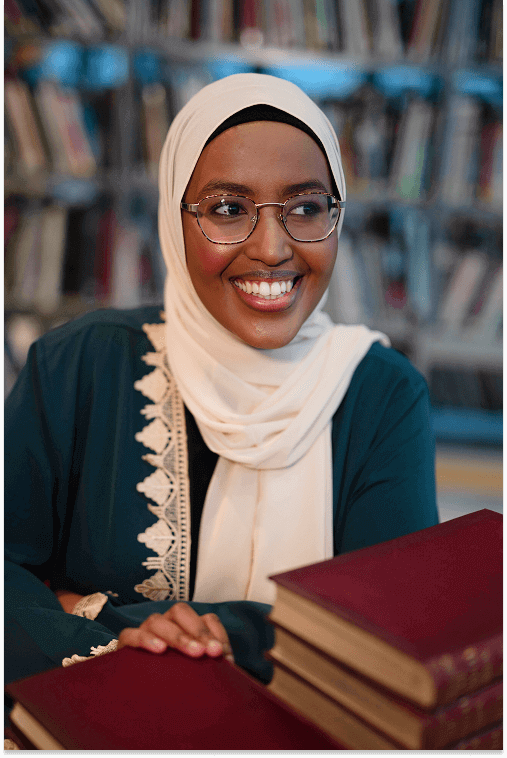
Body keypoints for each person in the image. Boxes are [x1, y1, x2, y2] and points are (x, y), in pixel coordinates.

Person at [4, 74, 438, 707]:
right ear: (174, 223)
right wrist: (105, 645)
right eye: (228, 210)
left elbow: (390, 636)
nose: (271, 249)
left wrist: (105, 617)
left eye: (307, 208)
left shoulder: (382, 395)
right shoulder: (80, 366)